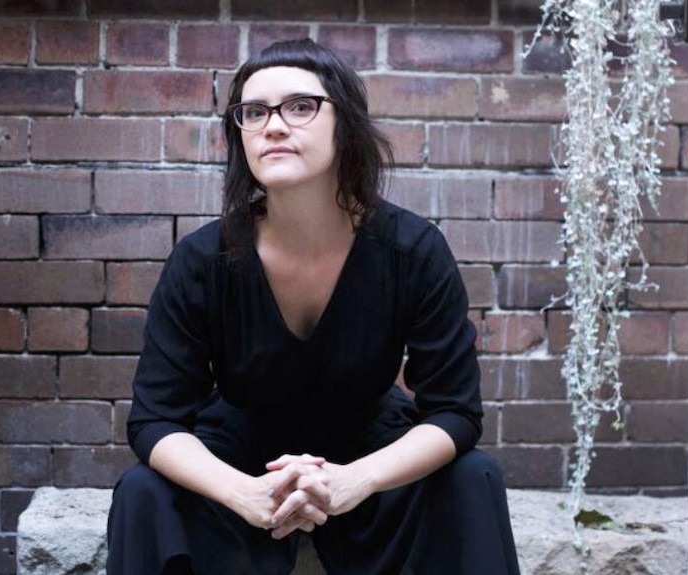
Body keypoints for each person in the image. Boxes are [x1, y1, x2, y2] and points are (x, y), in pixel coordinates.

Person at [107, 38, 520, 575]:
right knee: (143, 490)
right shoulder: (202, 260)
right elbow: (156, 421)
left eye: (300, 107)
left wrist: (358, 479)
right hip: (240, 451)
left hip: (372, 452)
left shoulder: (413, 250)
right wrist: (243, 493)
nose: (273, 126)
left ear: (345, 125)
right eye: (253, 113)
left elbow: (455, 412)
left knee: (474, 478)